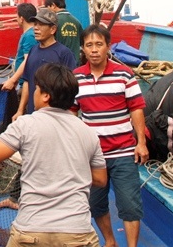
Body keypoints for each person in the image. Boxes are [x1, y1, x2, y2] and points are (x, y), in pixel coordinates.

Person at [0, 62, 108, 247]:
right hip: (78, 233)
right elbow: (100, 179)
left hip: (32, 231)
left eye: (37, 89)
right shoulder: (88, 132)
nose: (34, 92)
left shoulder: (26, 125)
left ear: (46, 96)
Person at [72, 24, 147, 247]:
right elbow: (70, 113)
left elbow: (136, 108)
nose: (94, 50)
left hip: (124, 151)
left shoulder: (124, 74)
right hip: (93, 156)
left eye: (98, 44)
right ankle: (110, 241)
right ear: (83, 49)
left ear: (107, 47)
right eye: (89, 45)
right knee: (96, 204)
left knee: (130, 205)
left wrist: (141, 142)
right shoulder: (75, 78)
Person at [13, 8, 76, 120]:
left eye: (41, 25)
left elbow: (70, 89)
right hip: (33, 115)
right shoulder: (33, 50)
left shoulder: (64, 53)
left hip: (56, 117)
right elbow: (27, 81)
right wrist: (20, 110)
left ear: (53, 29)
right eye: (35, 24)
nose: (36, 28)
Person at [2, 3, 37, 92]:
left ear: (21, 19)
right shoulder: (29, 34)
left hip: (27, 85)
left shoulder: (29, 36)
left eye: (17, 17)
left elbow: (28, 60)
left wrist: (12, 80)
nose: (16, 19)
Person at [44, 0, 84, 65]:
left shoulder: (52, 23)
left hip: (59, 66)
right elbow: (82, 42)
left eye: (47, 7)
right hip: (75, 65)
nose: (47, 11)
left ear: (53, 5)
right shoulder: (76, 22)